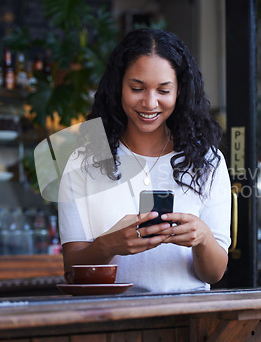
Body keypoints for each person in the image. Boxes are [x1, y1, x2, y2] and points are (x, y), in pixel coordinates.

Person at [58, 28, 231, 293]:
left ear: (180, 91)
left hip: (190, 319)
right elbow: (72, 269)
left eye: (163, 90)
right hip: (112, 321)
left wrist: (203, 238)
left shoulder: (206, 160)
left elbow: (214, 273)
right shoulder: (85, 161)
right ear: (119, 87)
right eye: (137, 88)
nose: (150, 103)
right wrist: (109, 245)